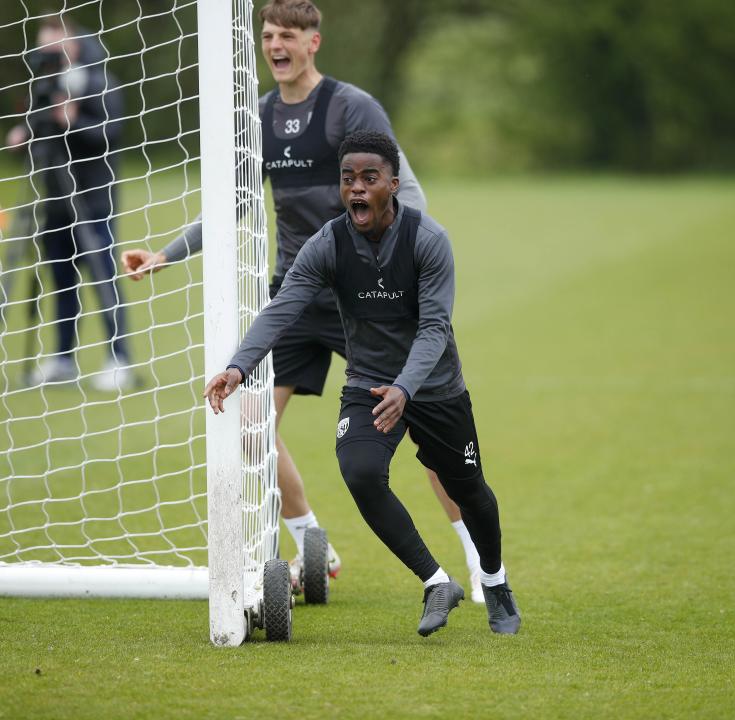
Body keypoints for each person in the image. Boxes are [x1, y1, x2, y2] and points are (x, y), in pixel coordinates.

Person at [122, 0, 485, 601]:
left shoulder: (349, 106)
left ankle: (477, 561)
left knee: (426, 429)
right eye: (267, 35)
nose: (275, 45)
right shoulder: (259, 115)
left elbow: (407, 190)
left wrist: (408, 265)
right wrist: (167, 252)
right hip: (298, 291)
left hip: (368, 300)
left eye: (287, 35)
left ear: (313, 42)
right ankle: (316, 543)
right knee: (250, 420)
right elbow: (234, 201)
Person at [205, 130, 521, 636]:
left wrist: (407, 389)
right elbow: (283, 306)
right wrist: (239, 366)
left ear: (393, 185)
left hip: (434, 387)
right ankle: (436, 581)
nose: (356, 188)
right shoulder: (328, 243)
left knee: (472, 491)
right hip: (370, 384)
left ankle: (495, 578)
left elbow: (436, 328)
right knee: (360, 471)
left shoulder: (429, 241)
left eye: (369, 179)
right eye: (347, 178)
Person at [5, 17, 132, 391]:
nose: (47, 58)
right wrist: (25, 132)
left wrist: (73, 120)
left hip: (93, 200)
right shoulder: (44, 85)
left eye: (53, 50)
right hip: (55, 201)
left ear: (73, 46)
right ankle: (63, 359)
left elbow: (111, 133)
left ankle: (118, 358)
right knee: (61, 282)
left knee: (103, 276)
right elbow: (40, 126)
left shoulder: (99, 82)